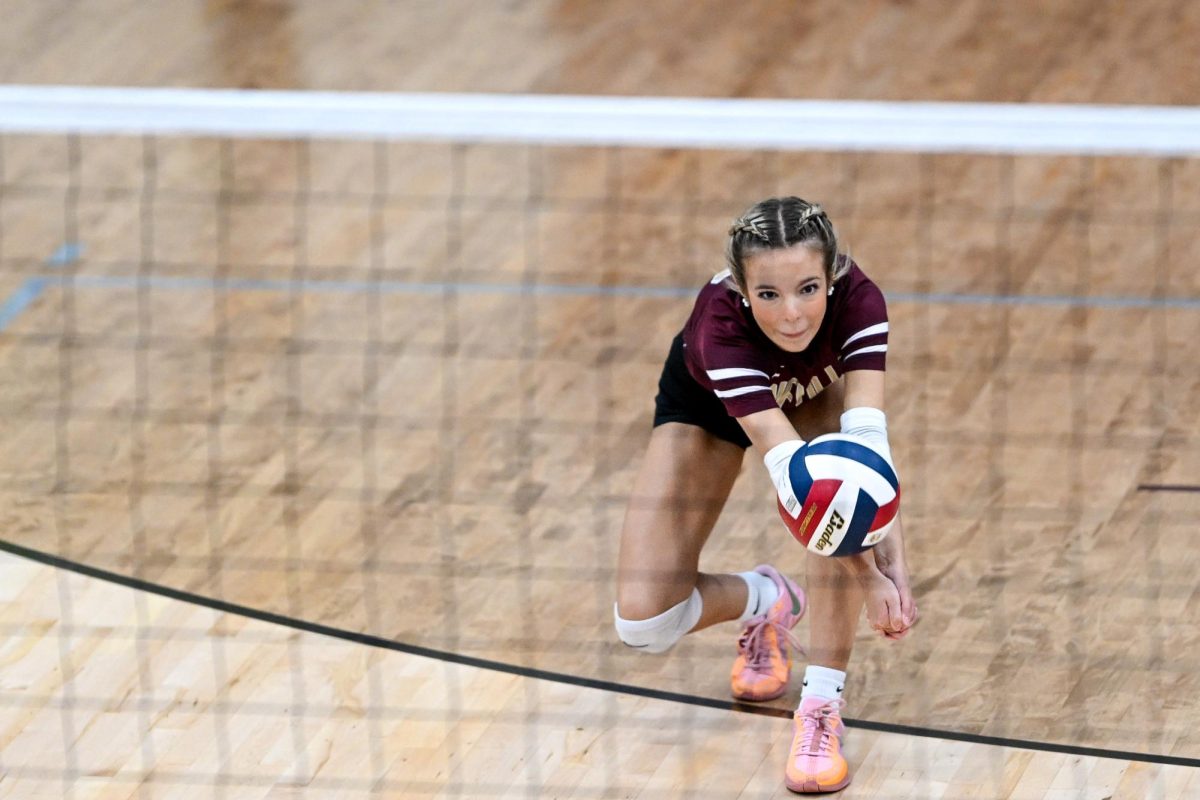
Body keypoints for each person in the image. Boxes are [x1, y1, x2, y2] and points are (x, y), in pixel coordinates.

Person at [614, 196, 917, 794]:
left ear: (832, 275)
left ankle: (821, 706)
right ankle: (767, 601)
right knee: (644, 622)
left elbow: (866, 455)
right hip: (711, 405)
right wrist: (870, 579)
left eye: (808, 288)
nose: (793, 316)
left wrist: (896, 569)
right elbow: (802, 489)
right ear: (740, 288)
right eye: (769, 295)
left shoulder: (860, 303)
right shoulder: (717, 330)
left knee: (843, 485)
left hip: (814, 391)